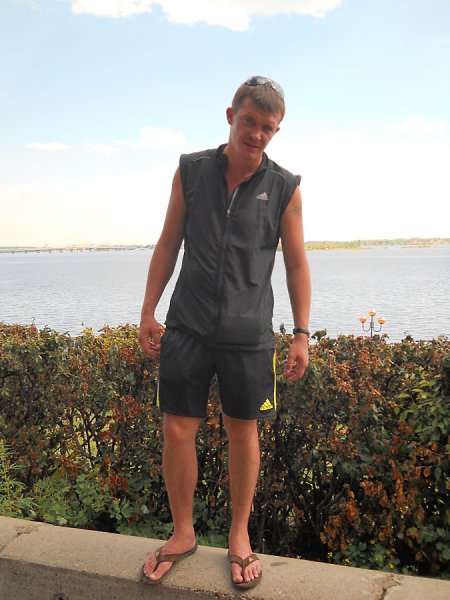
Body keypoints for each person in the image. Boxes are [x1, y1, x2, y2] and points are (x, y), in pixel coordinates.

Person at [138, 76, 311, 590]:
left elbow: (297, 264)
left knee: (243, 430)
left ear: (276, 131)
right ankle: (183, 533)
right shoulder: (191, 171)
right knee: (176, 430)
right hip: (188, 325)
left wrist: (301, 333)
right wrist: (148, 311)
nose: (257, 134)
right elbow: (168, 243)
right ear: (231, 116)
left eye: (268, 127)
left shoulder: (285, 187)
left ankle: (239, 535)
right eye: (250, 121)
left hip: (248, 333)